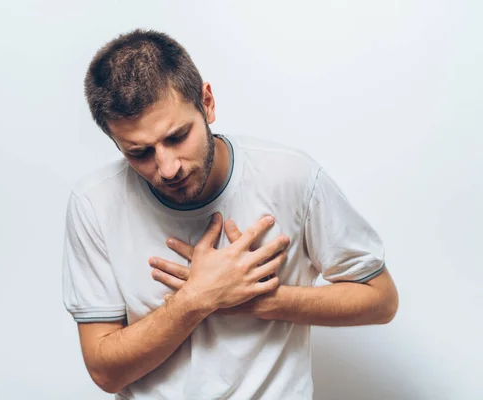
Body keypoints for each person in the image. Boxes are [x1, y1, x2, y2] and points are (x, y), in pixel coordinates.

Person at [62, 29, 399, 399]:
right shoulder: (95, 203)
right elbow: (105, 372)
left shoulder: (290, 176)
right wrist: (197, 298)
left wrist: (262, 300)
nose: (168, 166)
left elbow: (380, 299)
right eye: (139, 153)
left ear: (207, 102)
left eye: (177, 137)